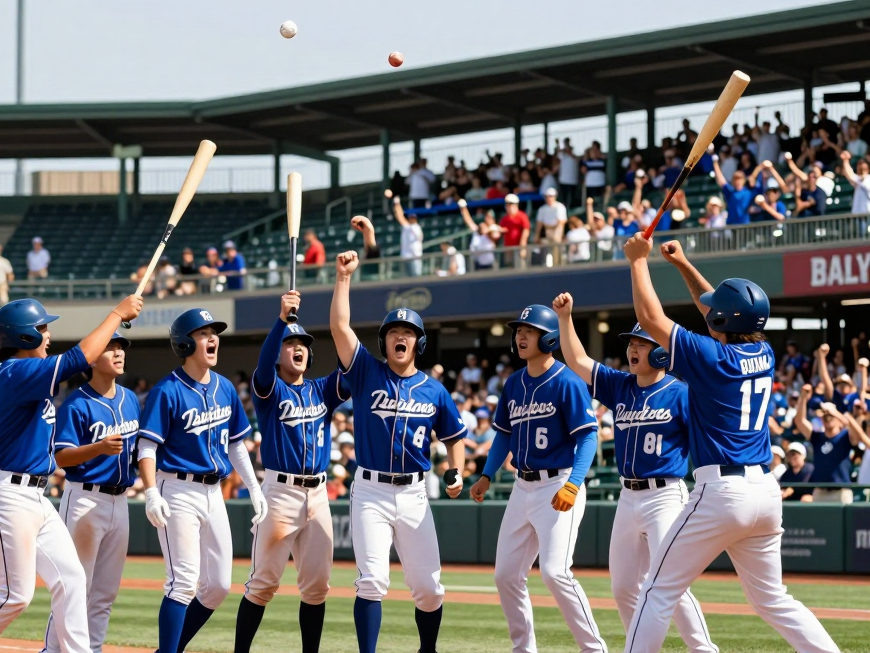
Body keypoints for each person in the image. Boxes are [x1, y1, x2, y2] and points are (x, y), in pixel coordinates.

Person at [619, 233, 839, 653]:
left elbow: (650, 319)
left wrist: (638, 262)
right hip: (764, 492)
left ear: (723, 320)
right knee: (773, 599)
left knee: (657, 590)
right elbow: (717, 311)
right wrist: (682, 263)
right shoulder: (765, 351)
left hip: (722, 491)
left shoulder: (712, 357)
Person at [0, 293, 143, 653]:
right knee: (13, 596)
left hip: (34, 495)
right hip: (6, 492)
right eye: (42, 327)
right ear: (24, 337)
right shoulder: (16, 372)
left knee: (71, 580)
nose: (48, 334)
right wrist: (116, 313)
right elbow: (78, 359)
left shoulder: (25, 375)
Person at [552, 293, 717, 653]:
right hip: (628, 496)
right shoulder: (620, 385)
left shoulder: (681, 393)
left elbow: (705, 442)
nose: (634, 349)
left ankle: (703, 649)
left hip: (665, 494)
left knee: (669, 582)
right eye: (632, 343)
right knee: (624, 586)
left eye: (643, 343)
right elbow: (578, 360)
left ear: (662, 352)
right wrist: (565, 318)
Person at [330, 250, 466, 653]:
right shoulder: (365, 371)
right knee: (372, 580)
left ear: (418, 342)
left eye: (407, 332)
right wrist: (343, 278)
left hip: (414, 492)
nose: (400, 336)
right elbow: (339, 326)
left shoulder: (434, 390)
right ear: (384, 341)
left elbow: (455, 437)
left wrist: (456, 471)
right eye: (393, 332)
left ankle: (427, 649)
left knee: (428, 588)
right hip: (370, 491)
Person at [468, 304, 607, 653]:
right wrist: (486, 474)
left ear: (548, 338)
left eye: (528, 331)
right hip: (522, 487)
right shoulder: (513, 384)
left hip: (558, 482)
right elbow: (503, 435)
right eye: (519, 331)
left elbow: (588, 437)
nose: (520, 336)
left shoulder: (568, 382)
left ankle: (594, 649)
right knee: (505, 576)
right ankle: (524, 649)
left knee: (555, 572)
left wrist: (574, 483)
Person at [136, 308, 267, 653]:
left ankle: (172, 648)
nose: (212, 339)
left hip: (213, 492)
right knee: (182, 583)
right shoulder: (167, 390)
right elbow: (146, 446)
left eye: (214, 332)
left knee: (219, 585)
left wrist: (254, 486)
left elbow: (238, 443)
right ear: (183, 343)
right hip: (176, 489)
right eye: (203, 333)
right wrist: (151, 491)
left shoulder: (224, 387)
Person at [234, 291, 351, 653]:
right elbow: (264, 364)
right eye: (290, 344)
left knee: (317, 586)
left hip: (318, 493)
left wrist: (341, 293)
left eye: (302, 343)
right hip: (280, 493)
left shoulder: (321, 390)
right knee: (263, 584)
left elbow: (350, 368)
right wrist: (281, 322)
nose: (297, 348)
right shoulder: (269, 390)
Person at [41, 332, 139, 653]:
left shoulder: (131, 399)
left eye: (120, 347)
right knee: (74, 588)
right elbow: (61, 456)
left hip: (121, 500)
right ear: (93, 358)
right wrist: (99, 448)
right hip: (85, 498)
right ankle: (52, 650)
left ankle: (92, 649)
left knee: (105, 593)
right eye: (110, 347)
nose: (118, 352)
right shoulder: (76, 403)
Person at [793, 390, 858, 505]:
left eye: (831, 415)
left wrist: (835, 412)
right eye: (825, 415)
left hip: (841, 492)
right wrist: (803, 398)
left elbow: (858, 434)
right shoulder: (817, 437)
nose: (828, 417)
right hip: (820, 491)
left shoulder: (845, 436)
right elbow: (800, 422)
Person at [387, 190, 423, 277]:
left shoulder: (414, 227)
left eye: (413, 217)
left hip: (414, 257)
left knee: (416, 278)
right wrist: (396, 203)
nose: (411, 219)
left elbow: (400, 216)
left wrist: (397, 203)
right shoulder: (408, 227)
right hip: (407, 256)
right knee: (408, 280)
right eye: (410, 217)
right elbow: (400, 216)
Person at [459, 200, 498, 271]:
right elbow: (468, 221)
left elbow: (496, 235)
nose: (487, 219)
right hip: (478, 265)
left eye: (489, 217)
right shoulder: (477, 231)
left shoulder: (493, 229)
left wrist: (487, 230)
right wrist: (463, 208)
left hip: (490, 265)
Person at [840, 150, 870, 216]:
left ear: (867, 166)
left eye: (862, 163)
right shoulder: (858, 179)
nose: (860, 165)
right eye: (858, 164)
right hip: (858, 213)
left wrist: (864, 177)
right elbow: (849, 174)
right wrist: (846, 160)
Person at [534, 188, 566, 266]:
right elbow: (539, 223)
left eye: (551, 196)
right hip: (546, 231)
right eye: (547, 196)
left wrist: (558, 234)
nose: (549, 198)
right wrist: (537, 235)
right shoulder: (542, 209)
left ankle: (557, 265)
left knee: (556, 249)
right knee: (544, 249)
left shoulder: (560, 207)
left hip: (556, 230)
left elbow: (561, 222)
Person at [499, 194, 530, 268]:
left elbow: (525, 231)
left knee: (520, 267)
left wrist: (522, 248)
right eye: (508, 205)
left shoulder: (522, 216)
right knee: (509, 266)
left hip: (519, 249)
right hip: (508, 249)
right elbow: (502, 230)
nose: (510, 207)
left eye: (512, 204)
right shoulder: (504, 219)